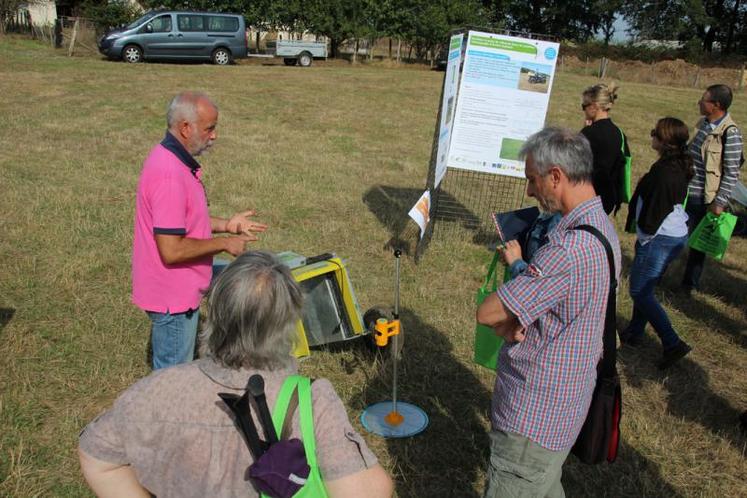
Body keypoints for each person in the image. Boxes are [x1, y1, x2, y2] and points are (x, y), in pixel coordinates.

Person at [79, 251, 394, 498]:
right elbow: (371, 492)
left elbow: (97, 457)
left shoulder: (157, 388)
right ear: (289, 323)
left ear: (215, 312)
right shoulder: (313, 402)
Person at [477, 127, 620, 497]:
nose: (529, 191)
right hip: (566, 407)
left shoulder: (568, 251)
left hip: (532, 418)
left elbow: (488, 312)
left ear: (556, 176)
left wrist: (510, 322)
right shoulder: (603, 227)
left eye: (532, 180)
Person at [132, 91, 268, 370]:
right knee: (172, 377)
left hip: (181, 283)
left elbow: (186, 221)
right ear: (185, 128)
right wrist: (224, 243)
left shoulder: (173, 160)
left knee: (242, 277)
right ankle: (165, 413)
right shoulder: (169, 174)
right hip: (173, 296)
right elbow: (172, 250)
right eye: (209, 128)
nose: (214, 135)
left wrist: (228, 224)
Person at [621, 118, 693, 369]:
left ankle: (672, 343)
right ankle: (634, 333)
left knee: (639, 291)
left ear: (665, 141)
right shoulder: (672, 165)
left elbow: (655, 212)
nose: (650, 136)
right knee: (645, 289)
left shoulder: (665, 173)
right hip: (667, 235)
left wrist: (645, 237)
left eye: (655, 134)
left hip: (659, 238)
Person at [681, 84, 743, 294]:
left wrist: (720, 201)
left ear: (716, 105)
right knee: (679, 235)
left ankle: (689, 285)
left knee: (698, 244)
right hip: (689, 191)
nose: (699, 102)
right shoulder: (704, 124)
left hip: (706, 198)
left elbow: (732, 171)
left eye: (703, 99)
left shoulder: (730, 133)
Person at [580, 82, 630, 215]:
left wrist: (585, 129)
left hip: (587, 198)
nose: (583, 109)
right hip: (608, 198)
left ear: (595, 106)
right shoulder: (619, 133)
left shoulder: (588, 134)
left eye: (584, 105)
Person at [500, 212, 561, 279]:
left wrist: (516, 262)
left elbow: (538, 282)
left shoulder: (558, 222)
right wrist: (512, 256)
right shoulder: (549, 213)